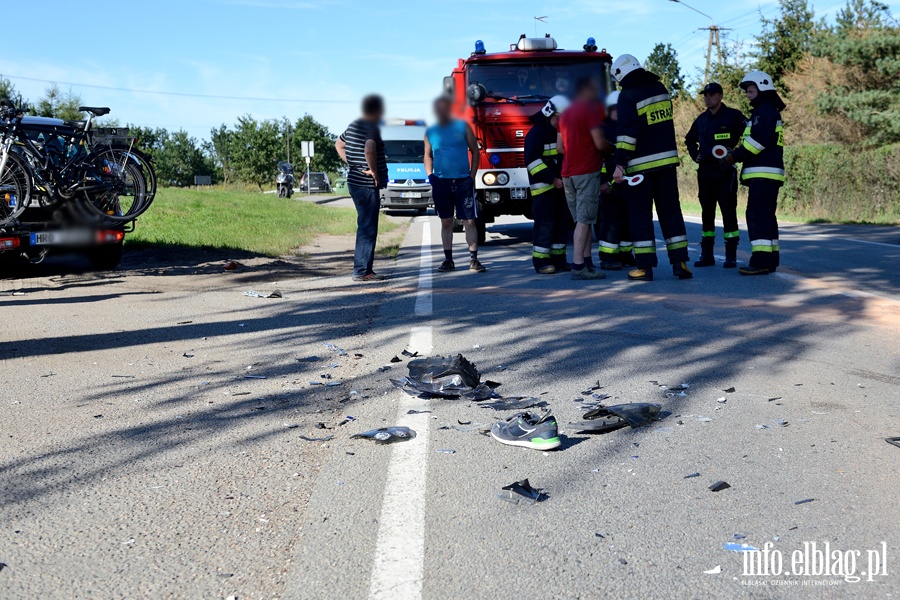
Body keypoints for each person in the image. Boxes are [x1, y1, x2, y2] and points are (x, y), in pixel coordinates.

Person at [611, 54, 692, 281]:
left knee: (640, 217)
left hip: (640, 169)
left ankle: (645, 267)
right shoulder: (660, 88)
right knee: (671, 213)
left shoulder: (627, 95)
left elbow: (627, 135)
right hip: (666, 164)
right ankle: (681, 263)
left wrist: (619, 164)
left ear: (621, 74)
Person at [726, 71, 786, 276]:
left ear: (762, 88)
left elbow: (757, 142)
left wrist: (734, 155)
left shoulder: (764, 111)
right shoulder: (768, 111)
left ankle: (760, 261)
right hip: (770, 174)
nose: (748, 94)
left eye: (751, 90)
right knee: (767, 217)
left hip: (763, 173)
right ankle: (770, 260)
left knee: (756, 216)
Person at [684, 82, 747, 269]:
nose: (707, 98)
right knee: (707, 213)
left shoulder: (734, 116)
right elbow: (689, 140)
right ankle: (707, 255)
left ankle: (731, 255)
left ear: (720, 96)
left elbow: (752, 131)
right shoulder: (701, 119)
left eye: (711, 95)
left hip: (725, 171)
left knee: (728, 212)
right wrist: (695, 155)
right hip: (705, 172)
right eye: (705, 95)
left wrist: (736, 153)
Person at [424, 96, 485, 273]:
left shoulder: (463, 126)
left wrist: (471, 176)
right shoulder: (431, 131)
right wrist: (430, 176)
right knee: (446, 222)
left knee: (470, 221)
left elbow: (475, 151)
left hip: (463, 181)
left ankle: (474, 260)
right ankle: (448, 260)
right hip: (441, 182)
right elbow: (427, 155)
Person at [557, 77, 610, 280]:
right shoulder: (591, 111)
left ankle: (587, 262)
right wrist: (612, 148)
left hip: (567, 171)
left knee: (582, 219)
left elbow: (560, 148)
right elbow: (599, 143)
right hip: (586, 170)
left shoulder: (565, 115)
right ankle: (578, 266)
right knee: (585, 219)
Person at [335, 94, 389, 282]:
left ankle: (363, 268)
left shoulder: (353, 126)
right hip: (366, 184)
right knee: (367, 227)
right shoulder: (371, 127)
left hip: (354, 180)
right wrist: (374, 171)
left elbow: (339, 144)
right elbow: (369, 148)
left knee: (364, 224)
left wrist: (352, 163)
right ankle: (362, 271)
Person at [524, 95, 572, 274]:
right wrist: (552, 178)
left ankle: (559, 260)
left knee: (561, 224)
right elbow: (533, 163)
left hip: (562, 187)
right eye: (561, 117)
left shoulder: (560, 132)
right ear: (550, 113)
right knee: (545, 225)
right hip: (544, 189)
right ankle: (541, 261)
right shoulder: (536, 134)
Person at [595, 91, 634, 270]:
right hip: (609, 185)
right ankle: (608, 257)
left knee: (627, 220)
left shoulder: (628, 126)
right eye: (616, 109)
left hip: (627, 182)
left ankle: (625, 254)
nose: (619, 112)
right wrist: (602, 181)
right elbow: (598, 158)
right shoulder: (603, 129)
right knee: (610, 221)